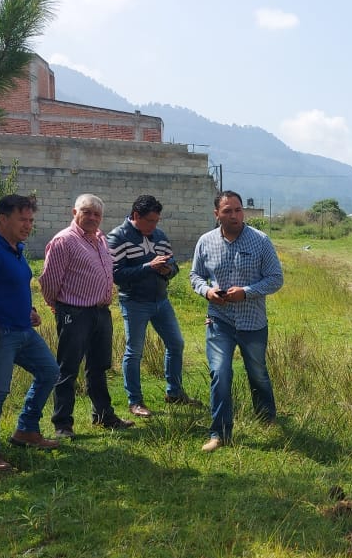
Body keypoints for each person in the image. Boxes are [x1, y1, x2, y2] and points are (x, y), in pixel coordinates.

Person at [0, 194, 60, 470]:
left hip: (22, 330)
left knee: (50, 372)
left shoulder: (15, 247)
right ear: (3, 218)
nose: (28, 225)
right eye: (22, 219)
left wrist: (28, 310)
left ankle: (26, 430)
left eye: (31, 220)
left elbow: (11, 285)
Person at [189, 190, 284, 452]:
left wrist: (247, 292)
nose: (234, 215)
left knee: (257, 372)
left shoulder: (260, 241)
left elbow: (276, 278)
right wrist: (207, 291)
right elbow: (195, 275)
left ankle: (266, 416)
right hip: (219, 320)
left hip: (252, 320)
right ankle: (219, 433)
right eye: (228, 210)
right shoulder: (205, 242)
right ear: (216, 214)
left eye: (238, 210)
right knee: (220, 373)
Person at [39, 193, 135, 437]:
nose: (92, 217)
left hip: (100, 313)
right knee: (68, 368)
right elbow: (49, 281)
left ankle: (103, 416)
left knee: (98, 367)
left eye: (97, 214)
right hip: (75, 312)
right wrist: (59, 307)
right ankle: (62, 424)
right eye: (87, 212)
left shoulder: (100, 239)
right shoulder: (64, 241)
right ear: (75, 213)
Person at [106, 194, 202, 417]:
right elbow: (116, 275)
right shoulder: (117, 237)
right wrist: (149, 267)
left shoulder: (159, 235)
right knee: (135, 351)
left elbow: (173, 265)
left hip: (161, 300)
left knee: (176, 343)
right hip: (134, 302)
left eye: (156, 221)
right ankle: (135, 402)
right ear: (136, 216)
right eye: (150, 221)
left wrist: (168, 270)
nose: (154, 226)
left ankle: (175, 393)